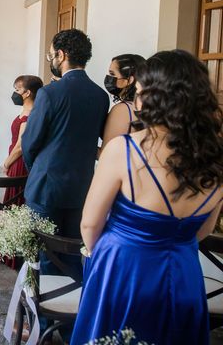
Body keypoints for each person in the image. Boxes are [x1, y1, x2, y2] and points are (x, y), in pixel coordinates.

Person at [71, 50, 223, 344]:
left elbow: (89, 225)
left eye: (139, 91)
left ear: (156, 98)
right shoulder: (215, 160)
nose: (136, 99)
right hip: (184, 275)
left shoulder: (123, 151)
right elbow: (202, 230)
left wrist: (102, 260)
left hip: (124, 271)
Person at [21, 29, 109, 262]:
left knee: (45, 253)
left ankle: (44, 298)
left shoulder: (49, 93)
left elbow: (29, 142)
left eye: (51, 56)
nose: (51, 61)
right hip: (81, 186)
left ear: (61, 55)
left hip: (46, 187)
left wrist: (36, 171)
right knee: (71, 252)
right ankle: (68, 296)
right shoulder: (100, 96)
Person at [0, 74, 43, 268]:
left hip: (19, 163)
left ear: (27, 92)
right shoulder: (27, 110)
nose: (14, 93)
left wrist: (7, 162)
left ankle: (13, 253)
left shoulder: (31, 115)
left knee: (15, 205)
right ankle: (8, 249)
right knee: (12, 204)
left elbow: (21, 146)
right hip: (16, 160)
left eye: (17, 89)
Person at [99, 53, 146, 154]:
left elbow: (107, 153)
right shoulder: (144, 107)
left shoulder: (122, 109)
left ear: (129, 80)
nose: (108, 78)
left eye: (112, 74)